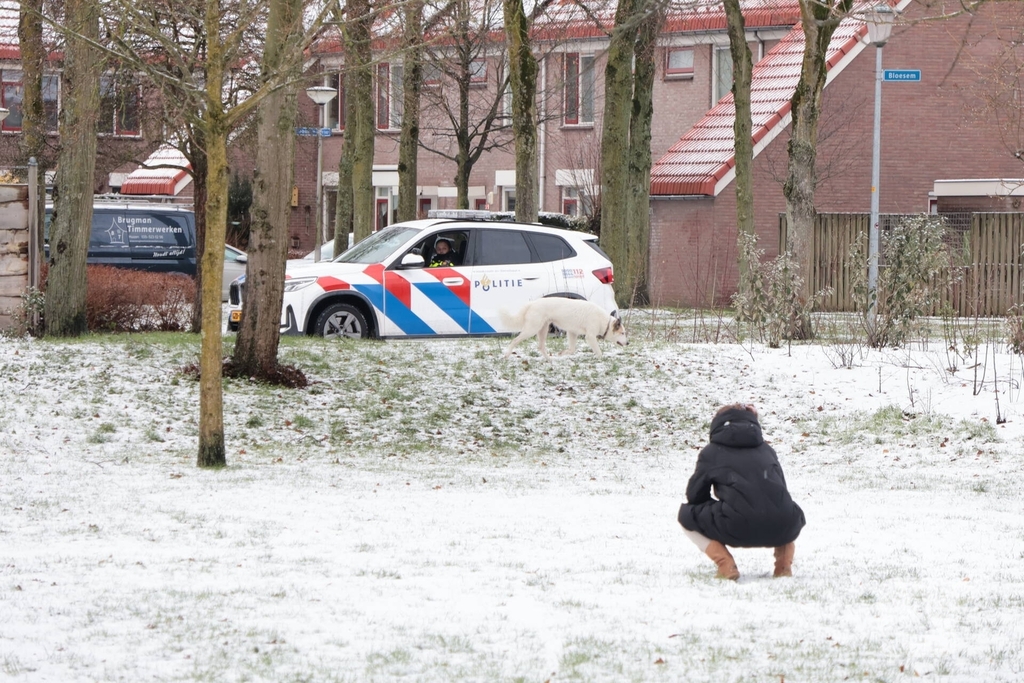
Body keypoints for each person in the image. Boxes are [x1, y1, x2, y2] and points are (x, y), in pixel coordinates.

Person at [677, 403, 805, 580]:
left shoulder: (711, 453)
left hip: (736, 525)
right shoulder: (767, 450)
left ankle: (725, 564)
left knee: (686, 515)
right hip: (784, 525)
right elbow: (780, 490)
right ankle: (783, 566)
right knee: (782, 511)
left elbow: (695, 496)